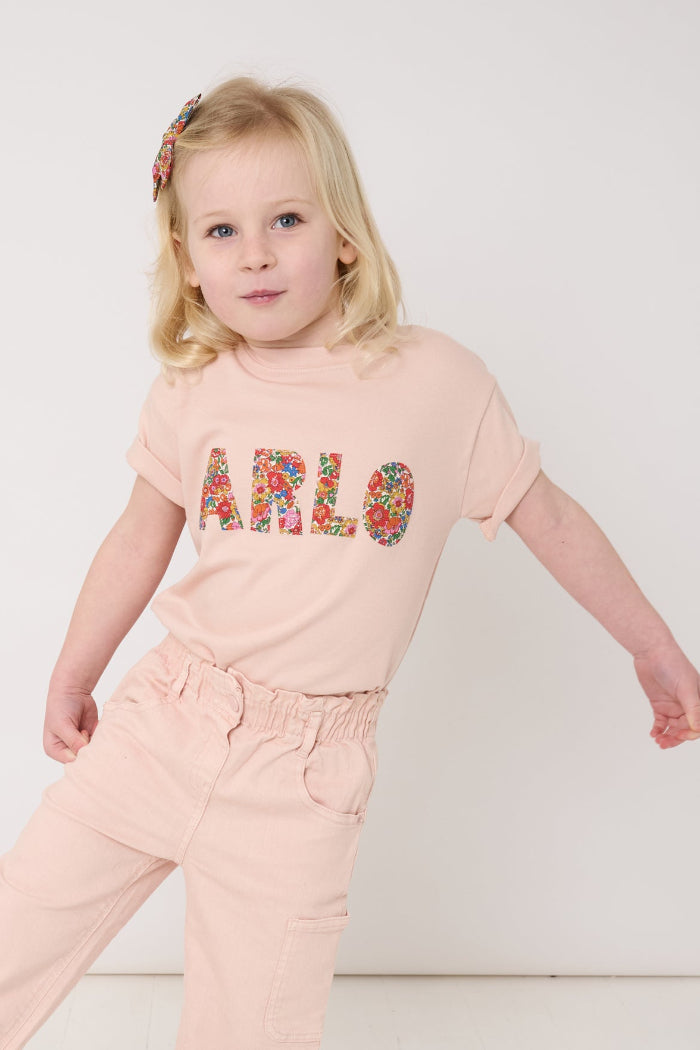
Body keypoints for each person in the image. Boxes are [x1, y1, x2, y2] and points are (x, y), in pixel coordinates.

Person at [0, 75, 698, 1050]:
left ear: (342, 235)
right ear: (186, 261)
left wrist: (654, 650)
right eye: (221, 231)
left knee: (256, 1029)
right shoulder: (194, 391)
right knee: (16, 930)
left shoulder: (435, 383)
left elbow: (551, 519)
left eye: (284, 218)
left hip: (305, 776)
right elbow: (135, 540)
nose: (255, 255)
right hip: (167, 719)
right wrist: (72, 676)